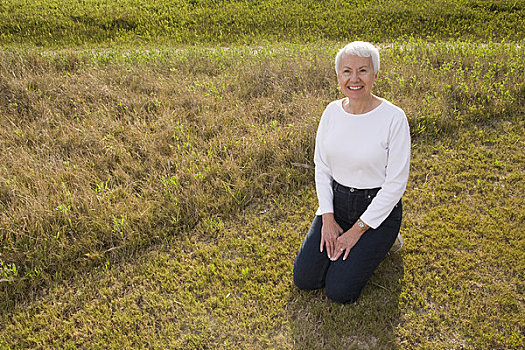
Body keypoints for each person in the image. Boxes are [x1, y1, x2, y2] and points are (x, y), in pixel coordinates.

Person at [293, 41, 411, 304]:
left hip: (377, 209)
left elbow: (395, 184)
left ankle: (386, 240)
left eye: (363, 71)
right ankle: (352, 242)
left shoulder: (394, 118)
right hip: (337, 203)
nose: (354, 79)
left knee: (339, 291)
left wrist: (356, 231)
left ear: (375, 75)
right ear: (338, 77)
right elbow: (322, 167)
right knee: (306, 279)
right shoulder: (331, 113)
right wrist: (327, 219)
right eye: (347, 71)